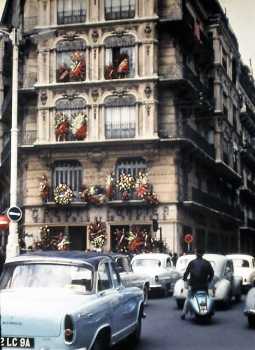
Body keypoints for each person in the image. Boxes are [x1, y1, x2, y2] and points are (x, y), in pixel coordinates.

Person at [181, 249, 214, 320]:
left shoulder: (192, 263)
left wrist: (185, 280)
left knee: (188, 298)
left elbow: (186, 274)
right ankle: (209, 310)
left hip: (193, 286)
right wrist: (208, 281)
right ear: (203, 254)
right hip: (204, 286)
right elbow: (212, 274)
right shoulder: (207, 263)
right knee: (207, 297)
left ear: (196, 253)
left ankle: (184, 313)